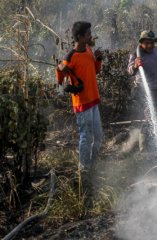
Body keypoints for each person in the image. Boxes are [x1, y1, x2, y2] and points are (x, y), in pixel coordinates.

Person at [56, 21, 103, 172]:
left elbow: (94, 72)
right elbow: (60, 79)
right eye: (88, 34)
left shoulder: (89, 50)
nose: (91, 36)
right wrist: (59, 69)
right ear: (80, 37)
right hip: (82, 103)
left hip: (94, 100)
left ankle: (92, 165)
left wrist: (99, 60)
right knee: (86, 137)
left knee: (98, 137)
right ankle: (83, 169)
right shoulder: (71, 56)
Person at [127, 30, 157, 152]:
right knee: (151, 117)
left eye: (152, 43)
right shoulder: (136, 55)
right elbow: (130, 71)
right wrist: (136, 66)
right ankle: (144, 147)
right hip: (147, 92)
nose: (150, 46)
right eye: (147, 43)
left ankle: (152, 139)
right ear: (141, 43)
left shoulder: (154, 51)